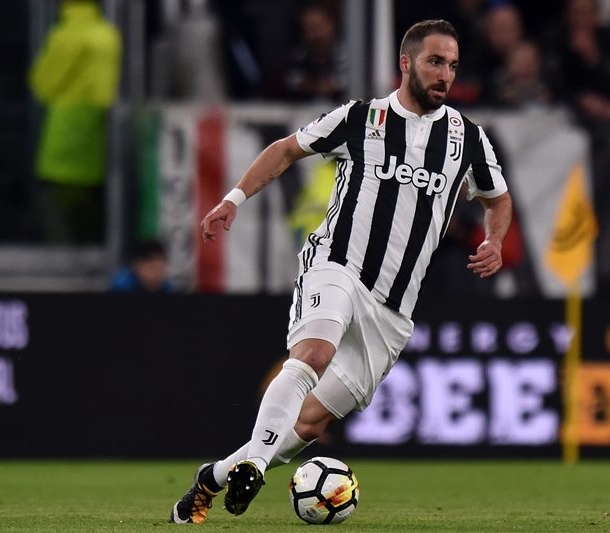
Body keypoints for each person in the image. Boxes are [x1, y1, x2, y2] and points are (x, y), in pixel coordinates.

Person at [169, 19, 512, 524]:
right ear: (406, 63)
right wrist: (233, 199)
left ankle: (215, 476)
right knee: (313, 353)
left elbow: (498, 200)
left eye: (453, 65)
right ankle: (256, 466)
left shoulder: (467, 138)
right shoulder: (360, 118)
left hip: (392, 310)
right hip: (338, 264)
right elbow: (286, 150)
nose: (445, 75)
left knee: (309, 424)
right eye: (435, 62)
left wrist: (494, 240)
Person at [29, 0, 121, 243]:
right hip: (98, 142)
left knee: (59, 221)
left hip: (64, 142)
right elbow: (106, 92)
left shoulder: (65, 35)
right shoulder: (107, 35)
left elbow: (42, 84)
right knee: (91, 226)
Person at [109, 239, 175, 293]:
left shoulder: (167, 288)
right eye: (152, 268)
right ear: (137, 266)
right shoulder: (121, 288)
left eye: (161, 268)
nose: (157, 275)